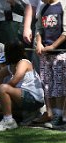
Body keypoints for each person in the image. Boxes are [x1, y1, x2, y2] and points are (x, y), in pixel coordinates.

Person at [36, 0, 66, 128]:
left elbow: (65, 32)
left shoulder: (63, 5)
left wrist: (53, 46)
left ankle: (59, 115)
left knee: (59, 84)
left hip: (60, 53)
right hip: (45, 54)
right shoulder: (43, 7)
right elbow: (38, 28)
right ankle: (51, 113)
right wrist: (39, 43)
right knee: (47, 84)